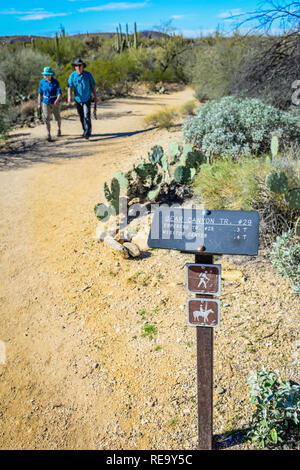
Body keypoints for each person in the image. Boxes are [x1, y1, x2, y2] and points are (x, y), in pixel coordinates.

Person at [67, 59, 98, 139]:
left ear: (83, 66)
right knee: (81, 116)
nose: (78, 67)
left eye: (80, 65)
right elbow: (69, 86)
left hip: (87, 98)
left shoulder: (88, 75)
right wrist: (69, 96)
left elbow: (93, 86)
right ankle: (85, 130)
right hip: (78, 99)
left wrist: (95, 96)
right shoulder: (72, 75)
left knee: (86, 114)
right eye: (76, 66)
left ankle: (87, 131)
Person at [38, 66, 62, 142]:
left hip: (54, 101)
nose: (46, 76)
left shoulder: (55, 82)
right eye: (45, 74)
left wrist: (57, 100)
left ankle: (59, 129)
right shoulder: (41, 82)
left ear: (51, 74)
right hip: (45, 101)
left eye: (48, 74)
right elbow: (40, 93)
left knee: (57, 116)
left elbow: (59, 93)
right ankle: (48, 134)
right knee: (46, 118)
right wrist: (39, 103)